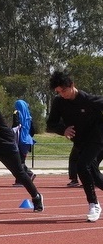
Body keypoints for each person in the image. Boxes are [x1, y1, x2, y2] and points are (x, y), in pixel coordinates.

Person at [46, 70, 103, 222]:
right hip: (80, 142)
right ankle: (94, 203)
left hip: (98, 138)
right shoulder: (58, 102)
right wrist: (62, 130)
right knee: (93, 174)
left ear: (72, 85)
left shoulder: (88, 100)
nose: (62, 94)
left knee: (82, 166)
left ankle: (93, 204)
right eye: (58, 92)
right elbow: (51, 123)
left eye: (63, 90)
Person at [11, 99, 36, 186]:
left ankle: (21, 179)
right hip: (28, 140)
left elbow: (15, 126)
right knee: (21, 160)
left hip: (19, 140)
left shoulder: (16, 113)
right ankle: (28, 174)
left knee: (18, 161)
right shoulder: (29, 116)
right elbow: (33, 130)